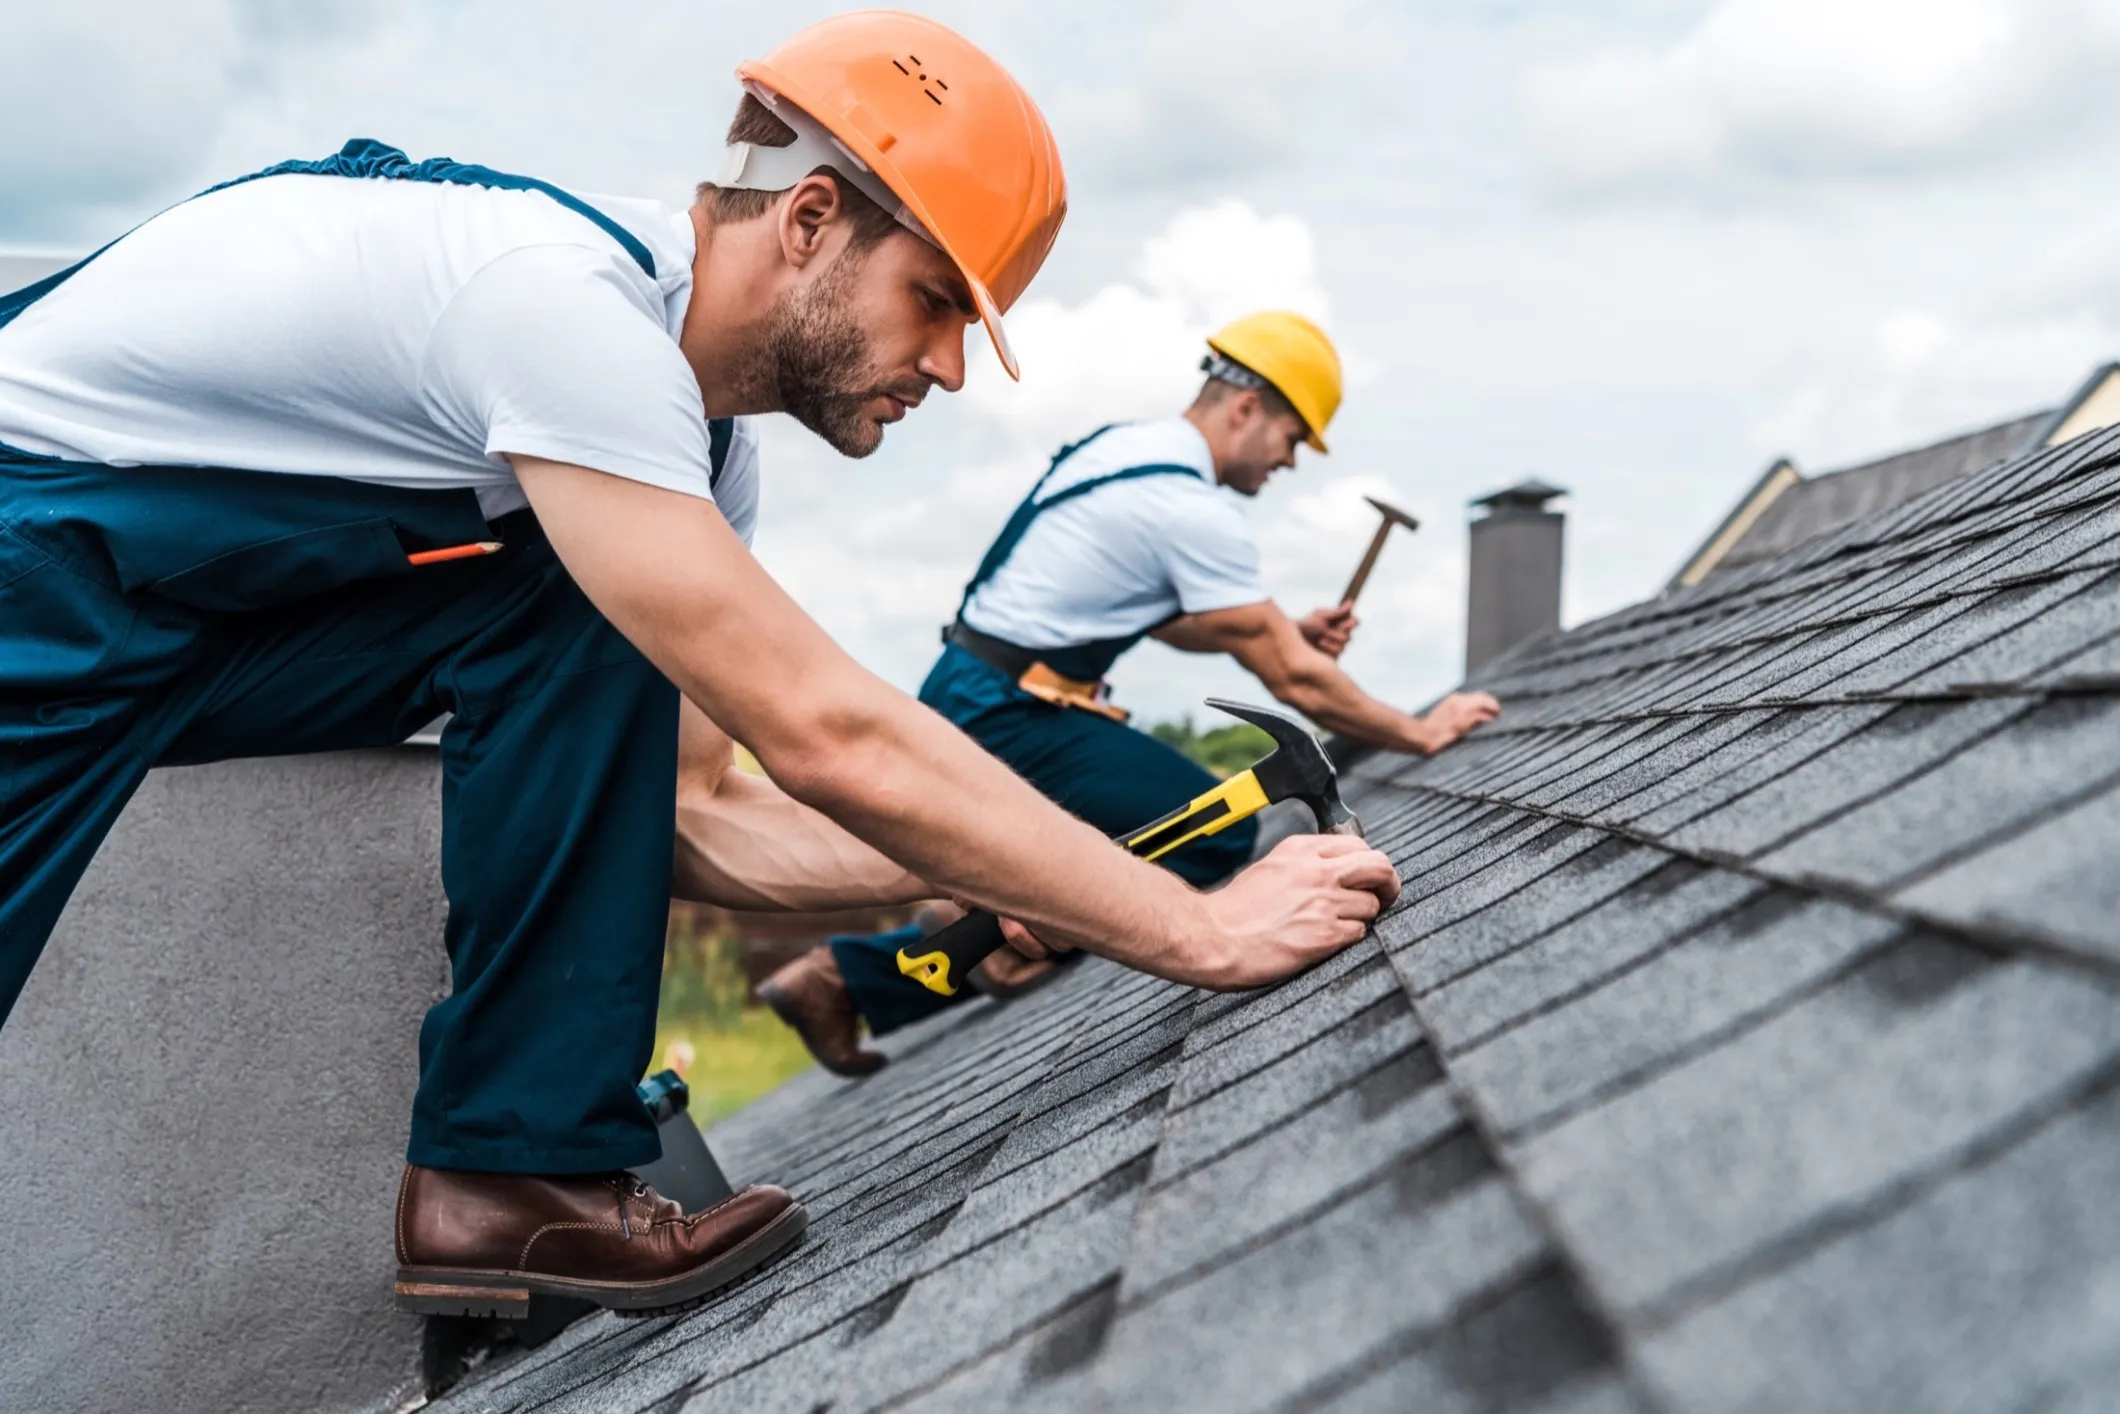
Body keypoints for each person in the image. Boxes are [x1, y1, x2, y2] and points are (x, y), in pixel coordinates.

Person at [0, 13, 1400, 1319]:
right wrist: (1190, 923)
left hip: (181, 610)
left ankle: (511, 1170)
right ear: (808, 222)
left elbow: (691, 809)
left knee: (571, 601)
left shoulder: (681, 463)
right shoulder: (564, 317)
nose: (954, 370)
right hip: (35, 559)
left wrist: (993, 877)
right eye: (935, 301)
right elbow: (825, 733)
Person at [759, 312, 1499, 1074]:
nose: (1289, 463)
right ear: (1247, 408)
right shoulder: (1189, 506)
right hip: (1012, 711)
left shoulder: (1123, 452)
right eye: (1291, 439)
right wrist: (1421, 730)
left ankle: (900, 956)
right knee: (1215, 835)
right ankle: (917, 952)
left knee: (1112, 849)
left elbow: (1175, 624)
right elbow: (1294, 679)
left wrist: (1283, 628)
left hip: (981, 690)